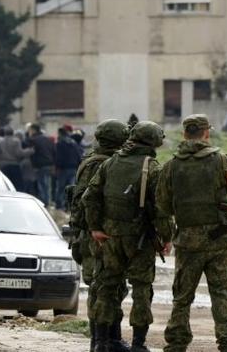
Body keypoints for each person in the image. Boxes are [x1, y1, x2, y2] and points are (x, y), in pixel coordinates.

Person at [83, 121, 172, 352]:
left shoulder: (110, 163)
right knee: (141, 289)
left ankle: (101, 342)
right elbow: (161, 209)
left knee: (106, 287)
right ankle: (138, 345)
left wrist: (95, 228)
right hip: (139, 240)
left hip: (109, 238)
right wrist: (167, 238)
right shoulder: (151, 168)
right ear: (153, 141)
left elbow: (89, 197)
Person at [157, 114, 227, 352]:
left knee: (182, 296)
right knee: (221, 292)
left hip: (186, 241)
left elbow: (162, 204)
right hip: (218, 240)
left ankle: (176, 342)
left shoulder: (171, 165)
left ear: (185, 134)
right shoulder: (221, 160)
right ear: (206, 133)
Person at [69, 119, 131, 352]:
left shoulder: (90, 161)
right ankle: (104, 340)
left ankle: (104, 339)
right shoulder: (104, 164)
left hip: (89, 234)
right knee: (105, 289)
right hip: (98, 235)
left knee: (104, 289)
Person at [26, 123, 56, 206]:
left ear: (34, 130)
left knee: (41, 185)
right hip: (49, 164)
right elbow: (54, 151)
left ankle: (44, 203)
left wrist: (33, 165)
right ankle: (48, 202)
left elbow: (32, 153)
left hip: (39, 165)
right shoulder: (48, 139)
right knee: (47, 185)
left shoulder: (32, 140)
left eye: (30, 130)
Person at [55, 126, 83, 210]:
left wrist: (58, 166)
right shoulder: (73, 142)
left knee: (60, 188)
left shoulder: (59, 143)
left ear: (60, 133)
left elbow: (58, 157)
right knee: (70, 187)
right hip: (73, 168)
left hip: (63, 168)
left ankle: (59, 206)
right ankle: (68, 205)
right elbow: (78, 155)